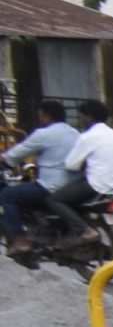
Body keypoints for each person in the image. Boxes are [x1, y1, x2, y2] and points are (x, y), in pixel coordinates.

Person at [1, 100, 78, 259]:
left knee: (8, 195)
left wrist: (5, 160)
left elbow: (14, 155)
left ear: (46, 115)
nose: (40, 118)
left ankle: (20, 240)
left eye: (41, 115)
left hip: (51, 186)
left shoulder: (43, 134)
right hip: (74, 186)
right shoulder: (75, 133)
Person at [45, 100, 113, 244]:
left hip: (97, 185)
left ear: (89, 117)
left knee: (54, 199)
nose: (82, 120)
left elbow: (71, 165)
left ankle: (84, 230)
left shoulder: (88, 136)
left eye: (82, 116)